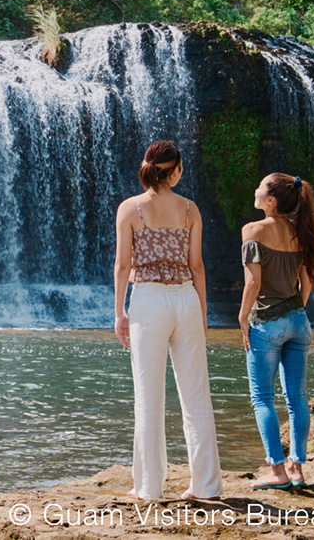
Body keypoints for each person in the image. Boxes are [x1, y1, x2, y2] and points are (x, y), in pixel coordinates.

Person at [114, 140, 222, 501]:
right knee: (196, 396)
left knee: (148, 396)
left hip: (148, 300)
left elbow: (123, 266)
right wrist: (203, 312)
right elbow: (197, 266)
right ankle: (206, 486)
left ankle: (149, 487)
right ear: (174, 170)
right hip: (186, 299)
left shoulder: (131, 209)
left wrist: (119, 312)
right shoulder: (191, 209)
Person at [239, 173, 314, 490]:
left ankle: (277, 472)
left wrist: (242, 317)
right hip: (298, 322)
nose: (255, 189)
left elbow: (253, 282)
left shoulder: (252, 230)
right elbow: (307, 283)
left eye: (260, 187)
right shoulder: (299, 231)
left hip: (266, 324)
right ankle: (297, 468)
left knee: (263, 399)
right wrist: (295, 310)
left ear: (271, 200)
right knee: (297, 399)